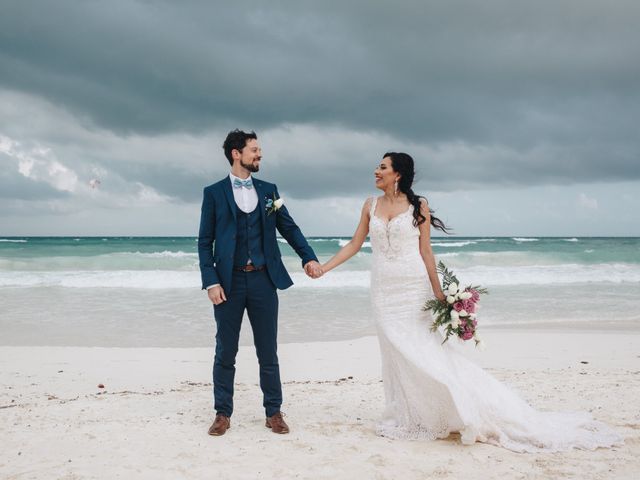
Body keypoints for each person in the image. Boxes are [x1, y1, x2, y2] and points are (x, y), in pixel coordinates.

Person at [320, 152, 623, 452]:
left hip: (413, 288)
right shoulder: (369, 205)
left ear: (397, 174)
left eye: (382, 167)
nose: (376, 170)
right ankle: (409, 412)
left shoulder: (417, 206)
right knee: (394, 349)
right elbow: (354, 244)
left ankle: (455, 403)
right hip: (383, 289)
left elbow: (426, 252)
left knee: (421, 348)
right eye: (378, 166)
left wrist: (438, 293)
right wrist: (323, 268)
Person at [198, 129, 323, 437]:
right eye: (254, 150)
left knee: (268, 350)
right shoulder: (213, 193)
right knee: (225, 350)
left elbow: (289, 227)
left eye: (259, 150)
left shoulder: (269, 191)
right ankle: (222, 413)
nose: (260, 155)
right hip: (228, 282)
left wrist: (308, 257)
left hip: (264, 280)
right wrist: (211, 281)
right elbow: (204, 242)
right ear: (236, 154)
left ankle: (274, 412)